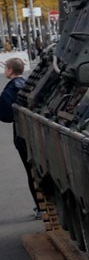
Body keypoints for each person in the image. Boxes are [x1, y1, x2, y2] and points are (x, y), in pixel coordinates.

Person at [0, 57, 35, 208]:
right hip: (36, 132)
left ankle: (39, 206)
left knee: (30, 171)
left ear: (10, 70)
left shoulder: (9, 91)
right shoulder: (30, 84)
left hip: (21, 135)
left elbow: (6, 116)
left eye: (5, 68)